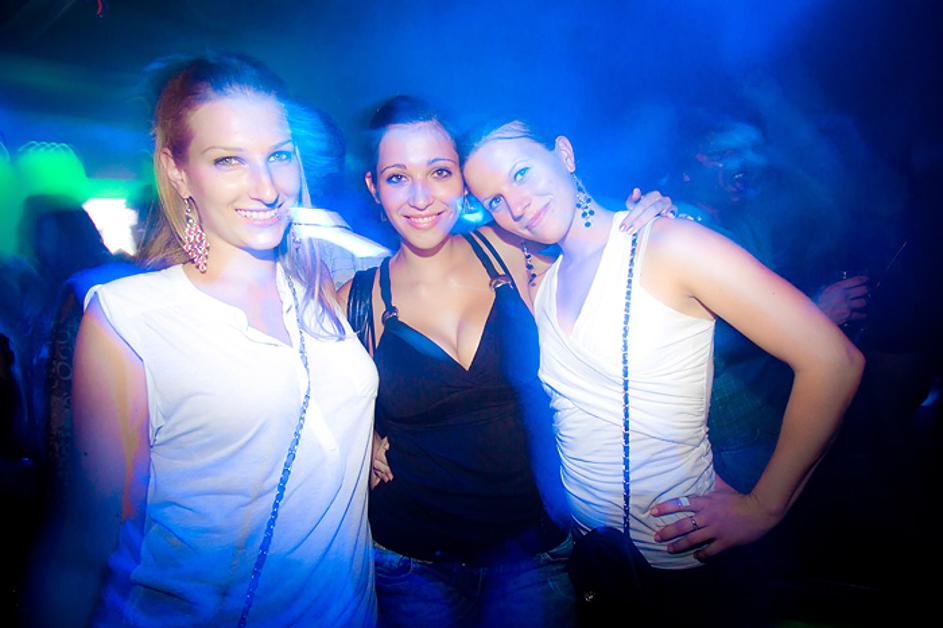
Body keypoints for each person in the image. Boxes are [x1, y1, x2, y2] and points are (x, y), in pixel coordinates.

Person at [461, 120, 864, 621]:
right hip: (595, 559)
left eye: (521, 173)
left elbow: (833, 361)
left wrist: (764, 506)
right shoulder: (543, 281)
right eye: (495, 200)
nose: (516, 205)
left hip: (679, 561)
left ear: (564, 153)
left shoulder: (669, 244)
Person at [29, 53, 377, 627]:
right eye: (228, 160)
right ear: (177, 171)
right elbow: (80, 544)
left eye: (279, 156)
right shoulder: (131, 319)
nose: (266, 187)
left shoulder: (324, 285)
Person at [340, 96, 669, 627]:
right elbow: (310, 408)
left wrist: (650, 218)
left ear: (463, 182)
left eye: (439, 172)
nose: (421, 197)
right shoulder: (353, 300)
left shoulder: (516, 251)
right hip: (410, 563)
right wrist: (363, 436)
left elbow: (601, 243)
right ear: (374, 188)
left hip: (534, 552)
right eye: (398, 177)